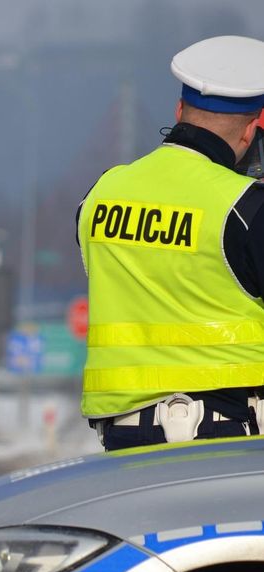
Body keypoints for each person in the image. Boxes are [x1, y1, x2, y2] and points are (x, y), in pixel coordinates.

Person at [78, 35, 264, 451]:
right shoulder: (244, 208)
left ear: (179, 111)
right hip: (226, 438)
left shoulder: (101, 194)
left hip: (122, 440)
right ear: (254, 129)